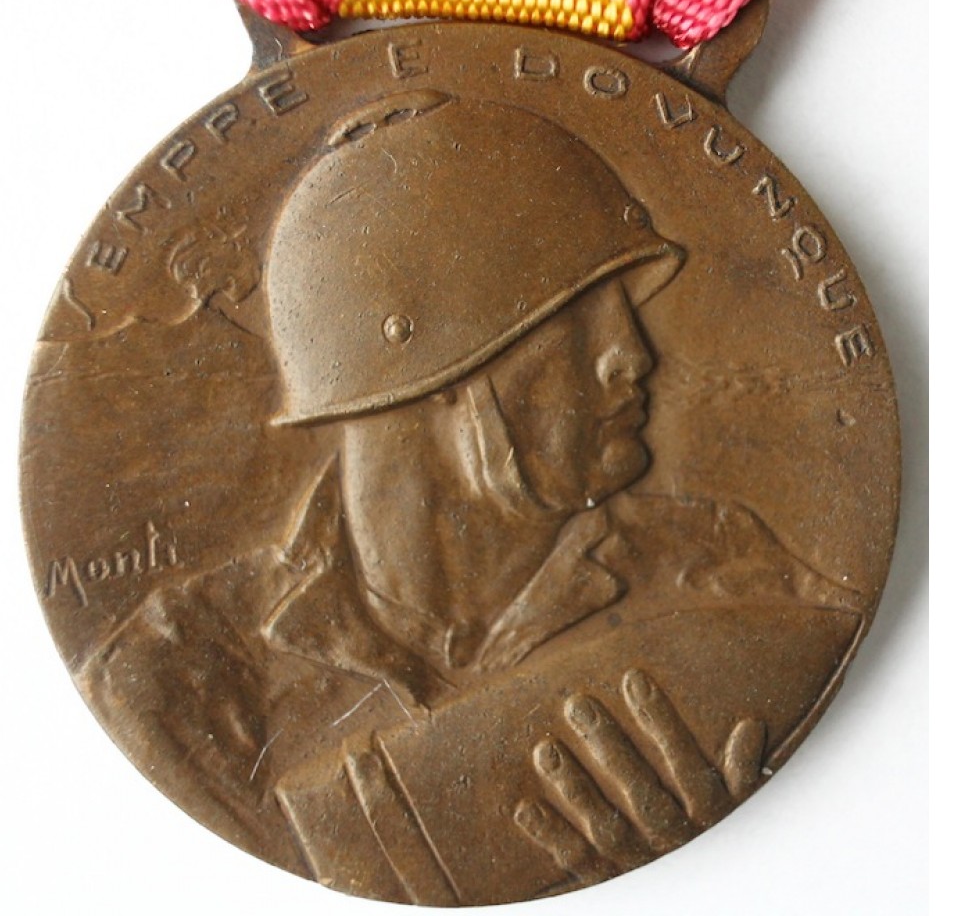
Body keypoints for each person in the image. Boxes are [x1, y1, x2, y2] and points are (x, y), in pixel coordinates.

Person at [80, 92, 862, 905]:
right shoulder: (180, 687)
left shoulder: (728, 578)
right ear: (428, 370)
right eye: (576, 317)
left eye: (621, 312)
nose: (630, 355)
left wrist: (711, 874)